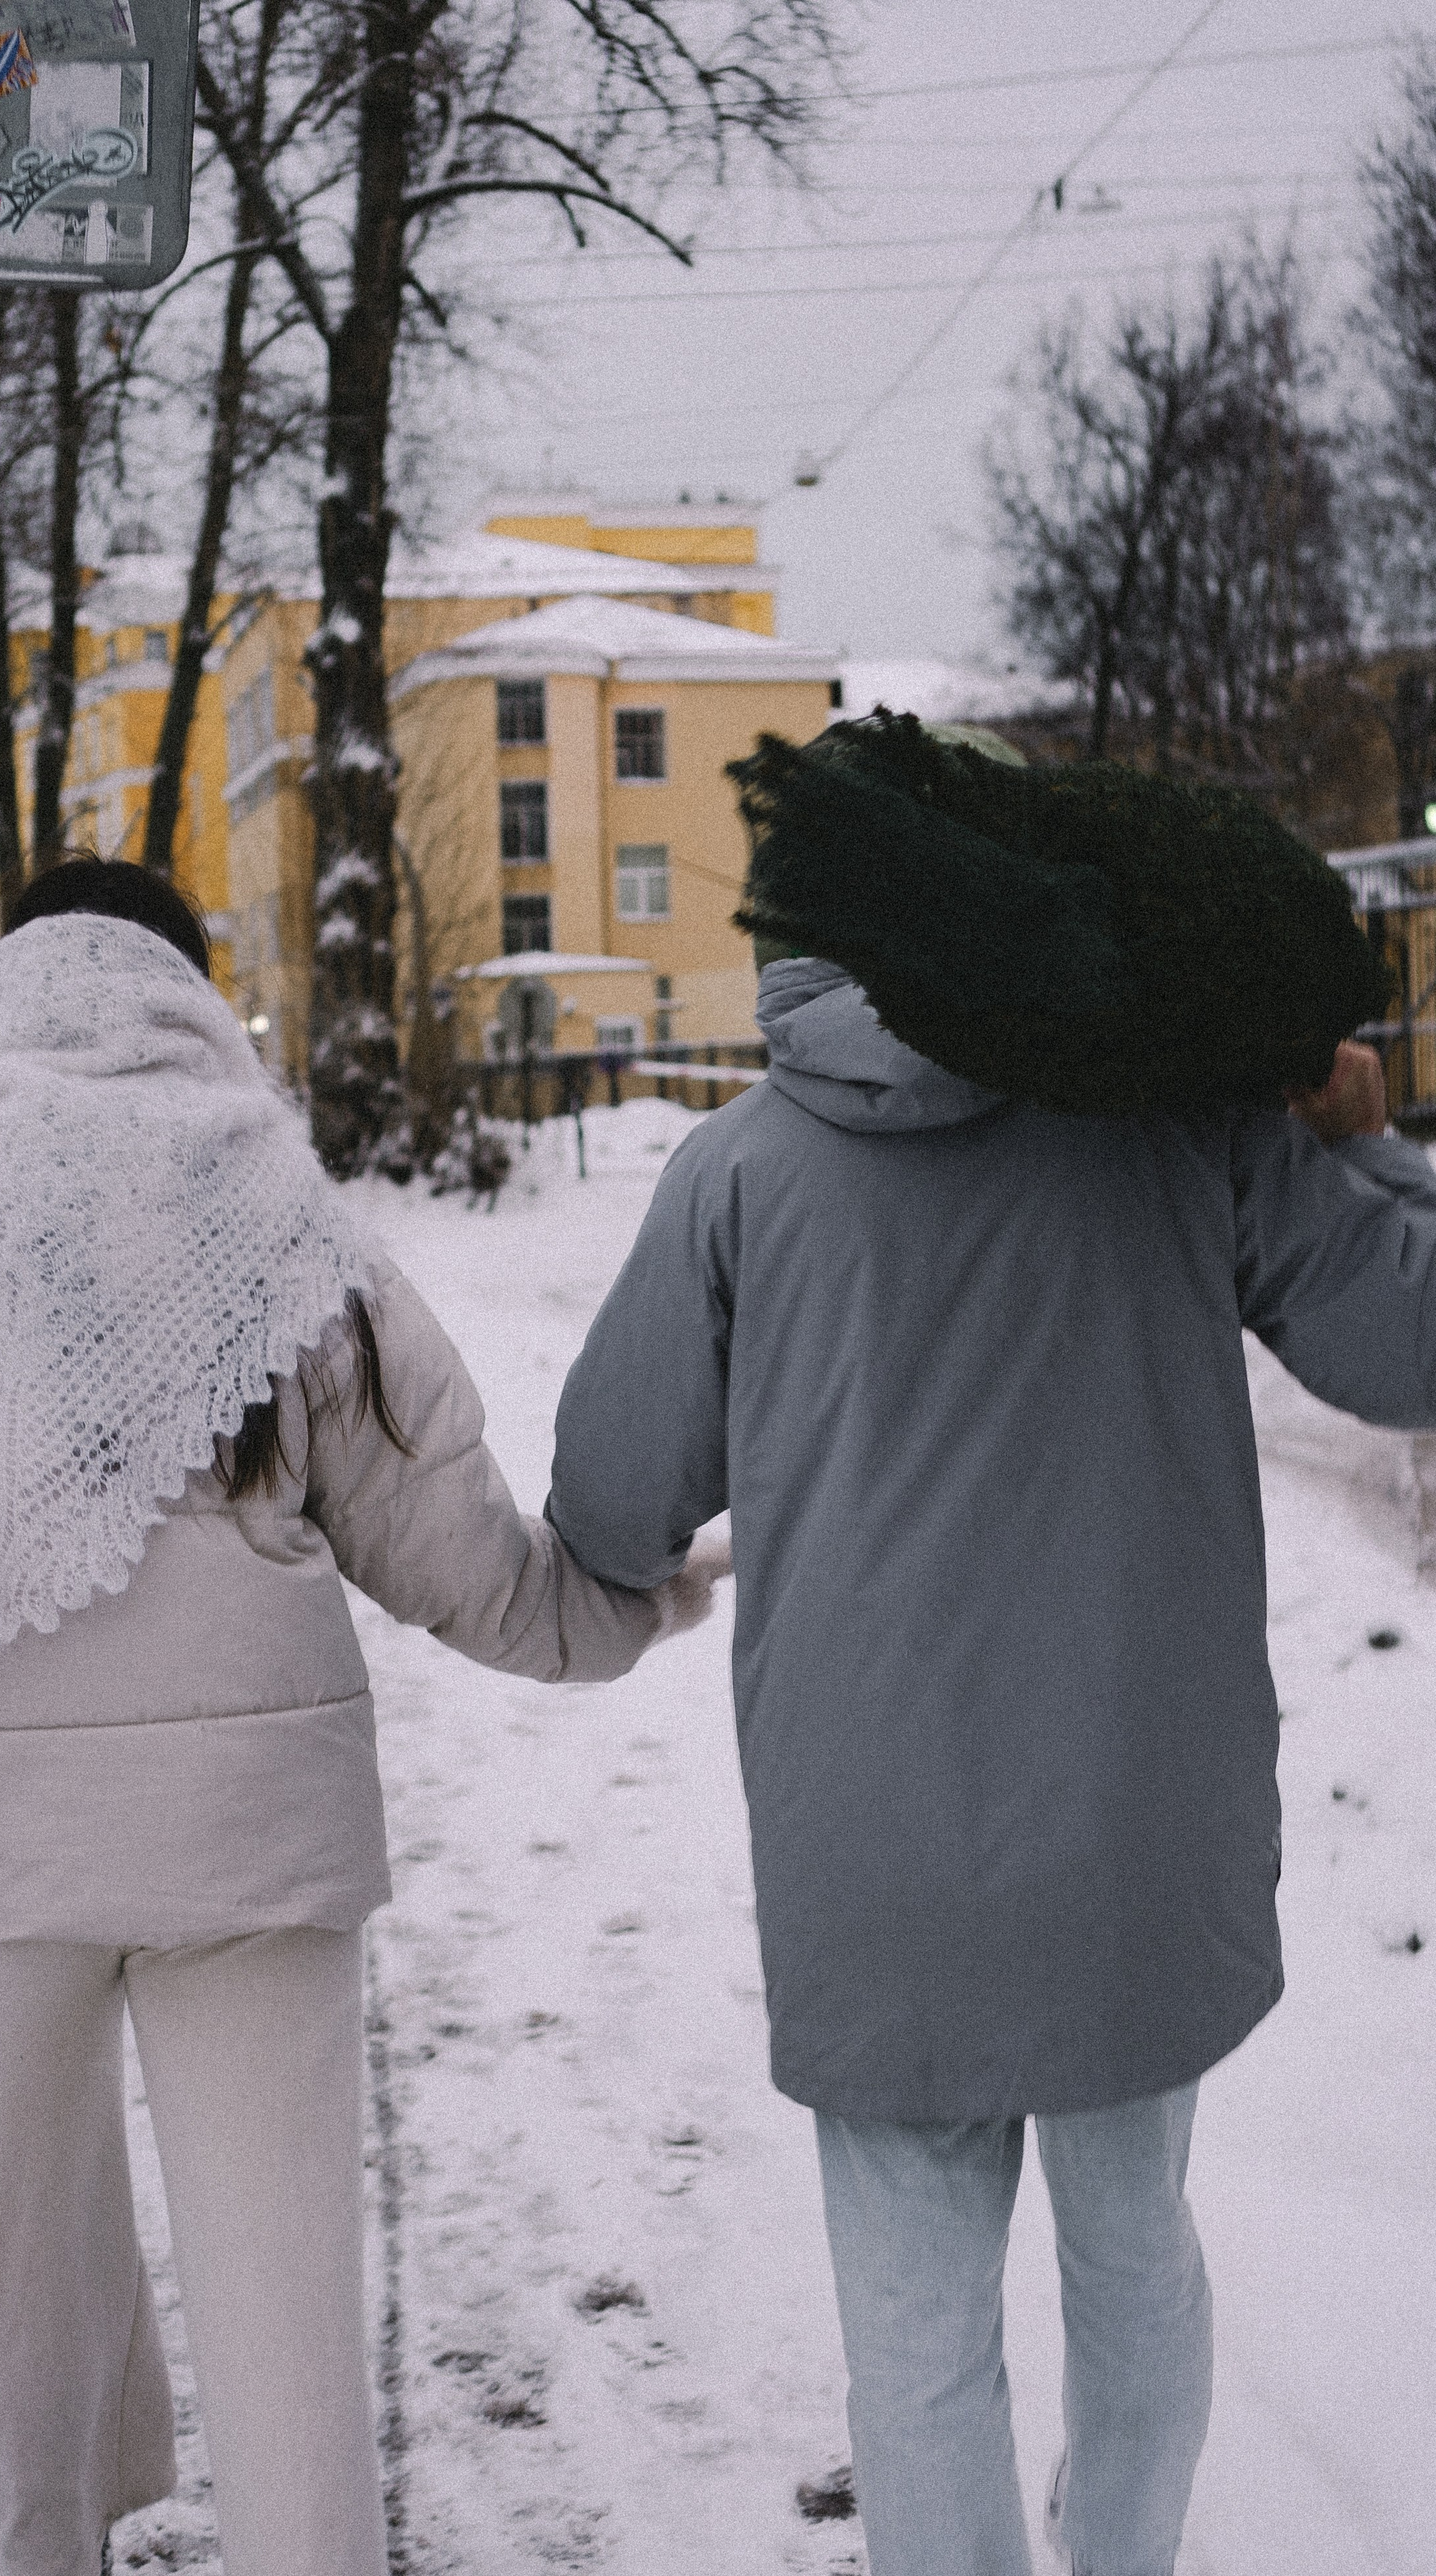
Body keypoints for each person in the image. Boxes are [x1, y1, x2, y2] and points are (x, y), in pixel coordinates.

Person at [0, 857, 721, 2576]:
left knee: (26, 2271)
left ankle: (47, 2546)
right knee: (283, 2302)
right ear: (188, 997)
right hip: (257, 1854)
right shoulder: (283, 1226)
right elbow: (453, 1550)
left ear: (10, 1002)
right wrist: (616, 1605)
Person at [545, 714, 1436, 2576]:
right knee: (1135, 2260)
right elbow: (1406, 1342)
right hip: (1137, 1825)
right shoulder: (1179, 1126)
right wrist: (1368, 1147)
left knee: (915, 2329)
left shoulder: (736, 1176)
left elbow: (613, 1505)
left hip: (876, 1851)